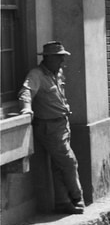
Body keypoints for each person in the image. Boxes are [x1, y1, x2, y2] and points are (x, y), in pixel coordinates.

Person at [18, 41, 85, 215]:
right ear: (48, 58)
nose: (62, 62)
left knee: (59, 165)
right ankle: (77, 197)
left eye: (63, 58)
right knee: (69, 162)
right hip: (49, 127)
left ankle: (63, 202)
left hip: (63, 124)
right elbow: (26, 91)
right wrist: (26, 108)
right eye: (59, 59)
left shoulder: (58, 73)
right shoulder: (36, 75)